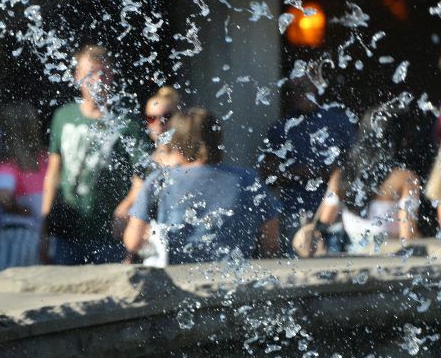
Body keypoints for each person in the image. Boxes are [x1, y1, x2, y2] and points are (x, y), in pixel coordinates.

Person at [123, 108, 281, 265]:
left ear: (176, 143)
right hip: (234, 281)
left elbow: (133, 242)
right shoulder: (247, 179)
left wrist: (152, 242)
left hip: (177, 282)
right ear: (218, 140)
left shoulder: (159, 180)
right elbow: (271, 243)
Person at [43, 45, 147, 265]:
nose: (98, 80)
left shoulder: (127, 123)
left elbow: (143, 177)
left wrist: (126, 207)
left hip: (107, 233)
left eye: (104, 73)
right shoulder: (63, 116)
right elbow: (53, 172)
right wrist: (44, 223)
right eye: (90, 73)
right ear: (77, 77)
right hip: (66, 230)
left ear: (112, 77)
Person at [258, 76, 355, 249]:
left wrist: (332, 174)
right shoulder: (281, 127)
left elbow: (354, 167)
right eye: (293, 89)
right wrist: (300, 172)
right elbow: (267, 175)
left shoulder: (338, 122)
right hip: (295, 213)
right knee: (297, 270)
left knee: (338, 270)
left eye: (303, 88)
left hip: (333, 214)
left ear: (316, 88)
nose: (298, 94)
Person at [315, 101, 424, 253]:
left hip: (352, 262)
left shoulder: (342, 175)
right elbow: (408, 237)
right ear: (400, 138)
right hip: (389, 263)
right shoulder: (405, 179)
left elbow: (323, 223)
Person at [113, 85, 181, 246]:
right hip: (154, 245)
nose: (158, 124)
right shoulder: (147, 162)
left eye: (165, 117)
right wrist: (120, 213)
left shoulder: (188, 160)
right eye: (151, 118)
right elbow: (135, 195)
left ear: (177, 118)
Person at [0, 102, 48, 272]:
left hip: (18, 235)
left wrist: (18, 208)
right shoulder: (48, 159)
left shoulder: (8, 165)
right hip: (39, 234)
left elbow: (3, 196)